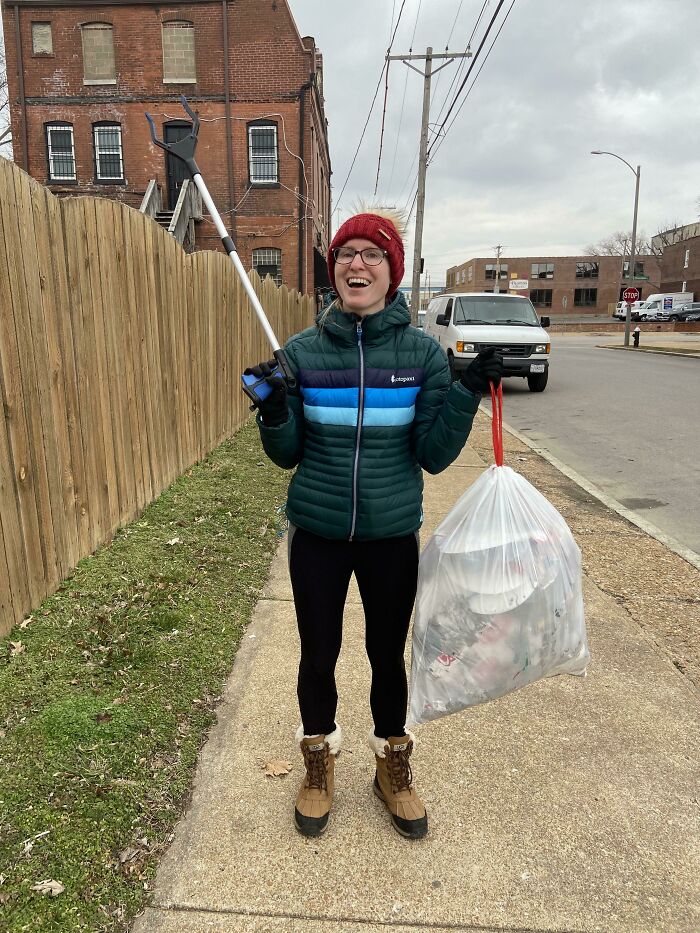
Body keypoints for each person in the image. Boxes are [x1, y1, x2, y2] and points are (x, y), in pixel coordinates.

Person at [246, 209, 503, 839]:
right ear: (333, 272)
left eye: (371, 253)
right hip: (318, 535)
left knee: (388, 656)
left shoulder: (420, 356)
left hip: (391, 536)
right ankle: (318, 761)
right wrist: (276, 407)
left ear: (392, 271)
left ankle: (392, 766)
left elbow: (435, 456)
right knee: (318, 654)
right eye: (345, 253)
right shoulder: (302, 354)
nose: (356, 263)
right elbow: (286, 454)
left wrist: (465, 391)